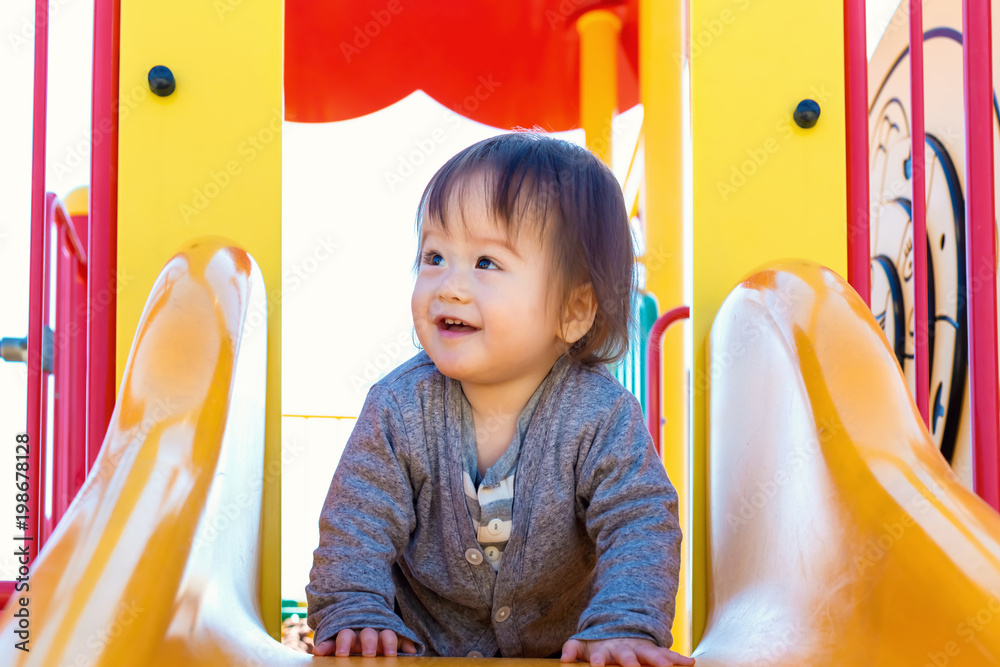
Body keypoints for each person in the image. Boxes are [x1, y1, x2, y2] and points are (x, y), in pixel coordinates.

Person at [306, 132, 693, 666]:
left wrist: (623, 624)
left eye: (485, 263)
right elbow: (358, 521)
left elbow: (640, 521)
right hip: (421, 652)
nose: (450, 287)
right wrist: (354, 607)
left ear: (574, 311)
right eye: (434, 256)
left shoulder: (601, 417)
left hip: (558, 654)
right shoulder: (399, 407)